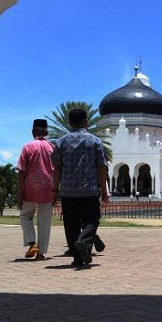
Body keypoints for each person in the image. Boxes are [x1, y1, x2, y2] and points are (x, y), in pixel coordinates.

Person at [52, 108, 109, 267]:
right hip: (89, 189)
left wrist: (54, 190)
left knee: (71, 224)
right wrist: (104, 189)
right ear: (86, 122)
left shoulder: (61, 141)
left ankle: (78, 258)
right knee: (92, 220)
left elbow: (57, 168)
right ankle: (84, 242)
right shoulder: (94, 141)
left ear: (70, 123)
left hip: (68, 191)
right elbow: (101, 166)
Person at [16, 119, 55, 260]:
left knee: (25, 216)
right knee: (45, 221)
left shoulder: (28, 147)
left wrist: (19, 192)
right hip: (48, 189)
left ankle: (32, 244)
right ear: (47, 132)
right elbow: (58, 170)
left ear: (33, 132)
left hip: (30, 189)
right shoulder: (52, 148)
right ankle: (41, 253)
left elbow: (21, 171)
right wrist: (57, 190)